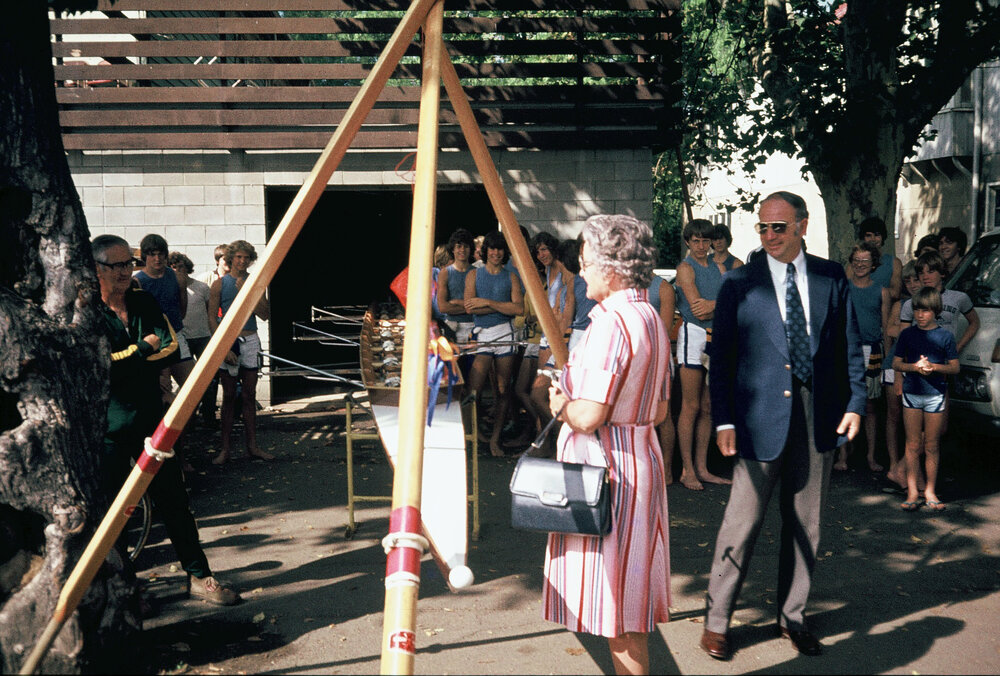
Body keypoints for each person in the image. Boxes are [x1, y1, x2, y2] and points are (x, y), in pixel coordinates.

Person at [700, 191, 865, 661]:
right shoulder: (738, 284)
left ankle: (793, 616)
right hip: (756, 418)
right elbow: (723, 358)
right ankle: (716, 622)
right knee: (741, 522)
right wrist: (724, 419)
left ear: (802, 226)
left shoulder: (832, 277)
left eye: (779, 227)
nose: (769, 235)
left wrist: (855, 402)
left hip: (819, 414)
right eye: (763, 227)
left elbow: (848, 346)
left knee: (806, 523)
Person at [544, 214, 671, 675]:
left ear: (609, 266)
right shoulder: (650, 316)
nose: (581, 271)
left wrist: (560, 402)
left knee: (618, 606)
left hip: (608, 470)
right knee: (628, 599)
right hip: (639, 457)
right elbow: (658, 410)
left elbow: (589, 415)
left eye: (585, 260)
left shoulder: (612, 323)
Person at [92, 234, 240, 606]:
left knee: (174, 500)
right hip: (109, 424)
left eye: (130, 263)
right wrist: (144, 348)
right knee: (116, 508)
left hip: (151, 417)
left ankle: (199, 576)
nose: (127, 271)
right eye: (118, 265)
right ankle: (124, 584)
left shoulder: (142, 299)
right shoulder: (89, 313)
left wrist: (133, 357)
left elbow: (172, 346)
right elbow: (101, 369)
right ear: (97, 268)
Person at [674, 218, 730, 490]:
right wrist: (722, 304)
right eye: (695, 240)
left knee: (708, 407)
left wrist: (717, 305)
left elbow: (730, 305)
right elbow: (698, 309)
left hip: (717, 336)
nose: (700, 245)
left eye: (705, 240)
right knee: (691, 406)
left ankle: (702, 468)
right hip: (694, 335)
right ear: (688, 242)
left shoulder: (719, 267)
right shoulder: (685, 268)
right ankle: (687, 470)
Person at [893, 286, 959, 512]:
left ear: (936, 311)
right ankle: (912, 491)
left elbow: (955, 368)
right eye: (917, 310)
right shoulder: (907, 334)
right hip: (912, 394)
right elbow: (896, 363)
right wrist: (914, 367)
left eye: (926, 311)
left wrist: (933, 367)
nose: (920, 315)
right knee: (912, 445)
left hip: (935, 395)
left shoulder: (945, 336)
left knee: (931, 445)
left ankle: (930, 490)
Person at [208, 240, 273, 465]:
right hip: (229, 341)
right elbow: (211, 319)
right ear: (231, 258)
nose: (243, 261)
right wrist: (223, 346)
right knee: (227, 397)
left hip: (250, 339)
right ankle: (225, 450)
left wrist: (247, 294)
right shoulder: (218, 284)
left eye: (246, 258)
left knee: (249, 396)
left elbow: (265, 314)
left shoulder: (255, 283)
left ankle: (252, 447)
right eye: (238, 257)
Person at [464, 229, 524, 457]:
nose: (496, 253)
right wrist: (501, 305)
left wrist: (486, 302)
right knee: (474, 389)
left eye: (500, 249)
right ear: (485, 251)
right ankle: (476, 434)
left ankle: (495, 440)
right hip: (483, 334)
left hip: (505, 334)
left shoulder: (511, 277)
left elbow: (518, 308)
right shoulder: (473, 275)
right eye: (492, 248)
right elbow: (470, 306)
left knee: (502, 389)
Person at [835, 242, 891, 472]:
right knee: (843, 402)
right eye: (856, 261)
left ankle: (870, 456)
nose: (859, 265)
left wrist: (887, 361)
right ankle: (842, 455)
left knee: (869, 405)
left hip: (872, 351)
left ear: (873, 265)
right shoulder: (842, 288)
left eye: (865, 261)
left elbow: (886, 328)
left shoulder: (882, 291)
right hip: (846, 350)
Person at [133, 234, 193, 409]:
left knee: (193, 385)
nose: (157, 258)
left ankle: (180, 425)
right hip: (152, 339)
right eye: (152, 254)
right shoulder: (138, 281)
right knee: (160, 390)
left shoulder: (177, 277)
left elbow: (182, 311)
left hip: (176, 334)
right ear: (145, 257)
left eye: (160, 254)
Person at [528, 232, 575, 435]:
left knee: (545, 391)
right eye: (537, 251)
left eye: (544, 249)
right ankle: (546, 439)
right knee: (542, 392)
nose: (541, 254)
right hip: (548, 332)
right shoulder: (548, 270)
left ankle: (560, 438)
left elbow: (565, 311)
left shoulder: (567, 273)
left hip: (561, 334)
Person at [884, 262, 922, 489]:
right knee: (893, 416)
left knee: (915, 424)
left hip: (917, 368)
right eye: (907, 281)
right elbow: (889, 330)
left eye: (915, 279)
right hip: (895, 365)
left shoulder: (928, 302)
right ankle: (892, 464)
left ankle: (906, 468)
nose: (911, 284)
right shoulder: (901, 304)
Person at [169, 252, 216, 430]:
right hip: (183, 338)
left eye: (180, 267)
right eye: (173, 267)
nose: (177, 270)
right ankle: (189, 419)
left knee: (208, 378)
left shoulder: (202, 287)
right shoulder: (170, 287)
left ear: (187, 268)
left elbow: (210, 313)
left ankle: (210, 418)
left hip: (203, 336)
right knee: (187, 382)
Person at [899, 251, 979, 355]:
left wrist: (959, 346)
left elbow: (974, 322)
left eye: (930, 272)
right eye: (921, 273)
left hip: (946, 360)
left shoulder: (959, 298)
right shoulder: (910, 304)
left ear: (942, 273)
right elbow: (903, 337)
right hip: (919, 360)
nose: (925, 277)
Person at [648, 269, 678, 485]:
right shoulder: (625, 285)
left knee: (663, 415)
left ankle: (667, 469)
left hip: (658, 356)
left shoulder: (663, 288)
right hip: (633, 357)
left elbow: (665, 330)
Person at [436, 228, 476, 345]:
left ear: (470, 249)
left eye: (466, 246)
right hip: (452, 327)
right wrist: (469, 307)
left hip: (474, 326)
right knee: (453, 362)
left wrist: (457, 302)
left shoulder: (478, 272)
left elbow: (481, 306)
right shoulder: (445, 273)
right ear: (452, 249)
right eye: (458, 246)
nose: (462, 250)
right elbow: (443, 307)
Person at [853, 217, 903, 301]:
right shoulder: (855, 262)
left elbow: (895, 293)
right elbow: (849, 291)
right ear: (863, 237)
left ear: (883, 237)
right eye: (868, 235)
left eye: (877, 235)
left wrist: (864, 290)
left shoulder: (894, 262)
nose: (873, 239)